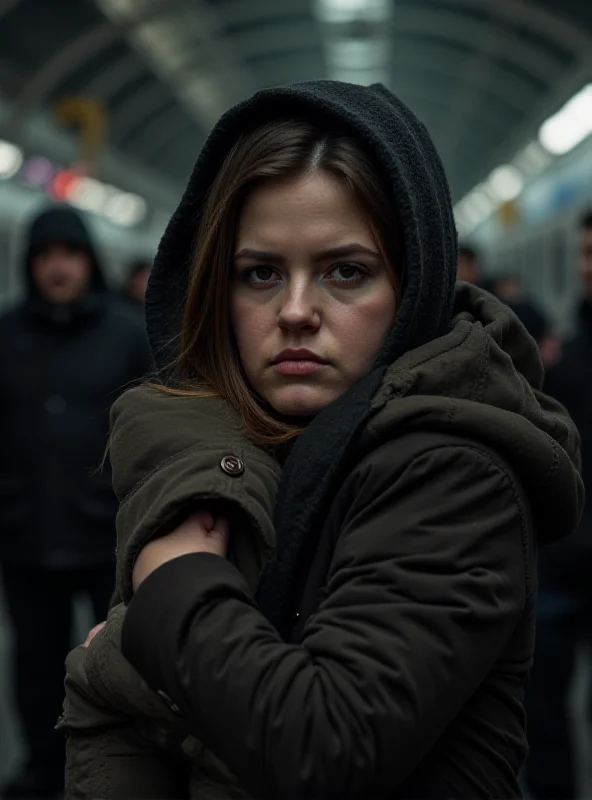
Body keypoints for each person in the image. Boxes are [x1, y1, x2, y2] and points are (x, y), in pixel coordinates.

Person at [62, 82, 582, 798]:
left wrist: (173, 583)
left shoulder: (457, 471)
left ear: (413, 285)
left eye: (347, 272)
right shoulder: (208, 459)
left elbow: (325, 747)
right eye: (261, 274)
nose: (297, 311)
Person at [0, 205, 152, 799]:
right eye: (44, 256)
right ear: (28, 263)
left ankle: (123, 772)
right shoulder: (5, 336)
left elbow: (150, 427)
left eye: (68, 254)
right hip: (25, 530)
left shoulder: (127, 333)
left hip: (107, 534)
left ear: (88, 260)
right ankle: (43, 769)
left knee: (122, 657)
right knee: (35, 666)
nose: (56, 268)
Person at [523, 210, 592, 800]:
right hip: (565, 562)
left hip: (569, 560)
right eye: (586, 253)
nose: (588, 267)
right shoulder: (565, 356)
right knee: (542, 715)